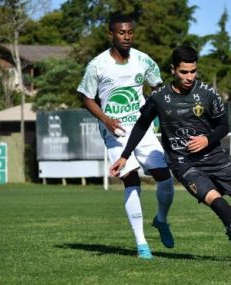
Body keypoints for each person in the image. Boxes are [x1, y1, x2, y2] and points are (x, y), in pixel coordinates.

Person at [109, 46, 231, 264]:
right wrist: (125, 155)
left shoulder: (208, 94)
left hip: (215, 158)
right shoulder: (158, 98)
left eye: (193, 71)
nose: (189, 77)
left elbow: (223, 126)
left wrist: (207, 139)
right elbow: (141, 126)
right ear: (173, 70)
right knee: (217, 202)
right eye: (184, 72)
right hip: (183, 164)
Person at [77, 13, 175, 259]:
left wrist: (156, 112)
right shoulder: (97, 65)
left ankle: (161, 220)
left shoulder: (143, 60)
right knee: (131, 180)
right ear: (111, 34)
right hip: (115, 131)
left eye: (130, 32)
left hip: (143, 129)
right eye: (122, 32)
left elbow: (158, 87)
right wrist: (106, 119)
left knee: (165, 178)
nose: (127, 36)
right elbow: (86, 97)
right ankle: (142, 243)